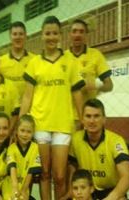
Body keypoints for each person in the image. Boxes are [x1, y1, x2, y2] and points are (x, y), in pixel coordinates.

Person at [19, 15, 85, 200]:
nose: (51, 37)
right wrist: (21, 123)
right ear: (42, 35)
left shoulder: (70, 62)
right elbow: (27, 96)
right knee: (44, 173)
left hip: (63, 125)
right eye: (47, 33)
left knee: (60, 175)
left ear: (60, 35)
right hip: (40, 124)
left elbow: (77, 94)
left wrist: (83, 120)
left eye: (54, 33)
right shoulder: (34, 63)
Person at [66, 99, 129, 200]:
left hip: (111, 192)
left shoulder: (116, 141)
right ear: (82, 119)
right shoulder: (76, 139)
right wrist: (70, 193)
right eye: (88, 116)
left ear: (104, 119)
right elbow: (72, 170)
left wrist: (109, 198)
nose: (92, 121)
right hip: (86, 191)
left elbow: (127, 177)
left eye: (96, 116)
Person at [65, 19, 113, 130]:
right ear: (69, 35)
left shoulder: (96, 55)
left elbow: (109, 85)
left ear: (86, 35)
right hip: (66, 117)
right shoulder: (63, 57)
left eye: (81, 31)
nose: (78, 34)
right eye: (74, 31)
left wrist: (95, 86)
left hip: (89, 117)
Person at [2, 114, 42, 200]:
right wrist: (15, 187)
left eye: (29, 132)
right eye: (22, 130)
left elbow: (31, 171)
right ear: (16, 131)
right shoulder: (11, 148)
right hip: (10, 185)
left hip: (24, 186)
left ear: (33, 132)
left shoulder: (35, 147)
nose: (25, 134)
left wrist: (24, 190)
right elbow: (12, 168)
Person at [0, 21, 36, 98]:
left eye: (21, 34)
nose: (18, 37)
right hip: (9, 107)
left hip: (30, 106)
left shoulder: (35, 59)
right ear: (10, 36)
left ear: (25, 36)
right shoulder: (0, 62)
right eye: (15, 34)